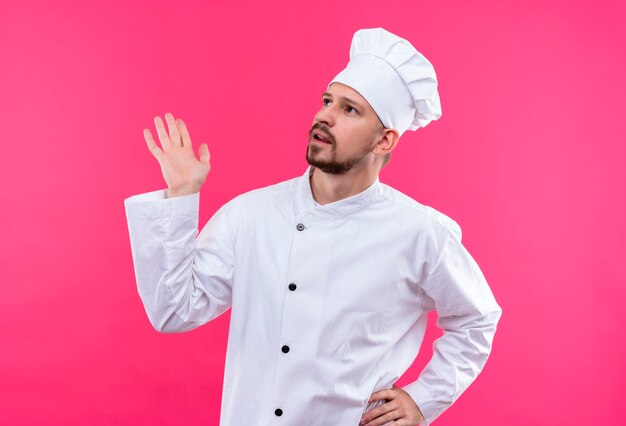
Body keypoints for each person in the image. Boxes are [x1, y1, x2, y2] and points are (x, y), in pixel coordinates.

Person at [124, 28, 502, 426]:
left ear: (384, 141)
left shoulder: (421, 233)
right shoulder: (251, 216)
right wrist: (183, 193)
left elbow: (477, 319)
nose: (325, 115)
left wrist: (424, 399)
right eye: (327, 101)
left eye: (349, 109)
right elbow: (173, 310)